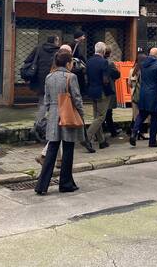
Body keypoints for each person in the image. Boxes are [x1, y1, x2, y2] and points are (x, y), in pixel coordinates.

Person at [35, 50, 84, 195]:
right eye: (71, 62)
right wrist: (81, 114)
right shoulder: (71, 77)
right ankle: (66, 183)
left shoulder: (49, 77)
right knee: (68, 149)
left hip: (53, 114)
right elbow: (77, 98)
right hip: (68, 113)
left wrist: (48, 114)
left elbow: (46, 99)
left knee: (52, 149)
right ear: (68, 63)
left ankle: (41, 185)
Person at [130, 48, 157, 147]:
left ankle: (134, 133)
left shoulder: (143, 64)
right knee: (155, 118)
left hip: (143, 93)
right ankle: (152, 141)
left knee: (141, 115)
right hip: (154, 95)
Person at [24, 35, 61, 117]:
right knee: (54, 100)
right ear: (55, 41)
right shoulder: (58, 51)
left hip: (39, 78)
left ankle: (40, 120)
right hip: (54, 77)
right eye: (58, 41)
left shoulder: (38, 49)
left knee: (42, 99)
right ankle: (50, 120)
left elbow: (28, 60)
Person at [83, 42, 109, 152]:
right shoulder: (104, 62)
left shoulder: (89, 61)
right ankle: (87, 137)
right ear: (103, 51)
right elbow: (105, 80)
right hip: (101, 91)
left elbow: (86, 77)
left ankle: (101, 141)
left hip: (92, 90)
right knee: (101, 116)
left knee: (96, 117)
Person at [103, 45, 122, 138]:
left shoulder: (98, 62)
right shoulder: (110, 64)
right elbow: (117, 74)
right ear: (109, 53)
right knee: (108, 112)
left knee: (103, 113)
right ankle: (112, 131)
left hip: (100, 90)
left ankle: (109, 130)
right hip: (109, 89)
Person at [128, 52, 147, 140]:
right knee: (144, 114)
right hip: (144, 95)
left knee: (135, 115)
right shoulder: (146, 70)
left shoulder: (132, 70)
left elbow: (129, 83)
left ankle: (133, 131)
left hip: (134, 95)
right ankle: (140, 132)